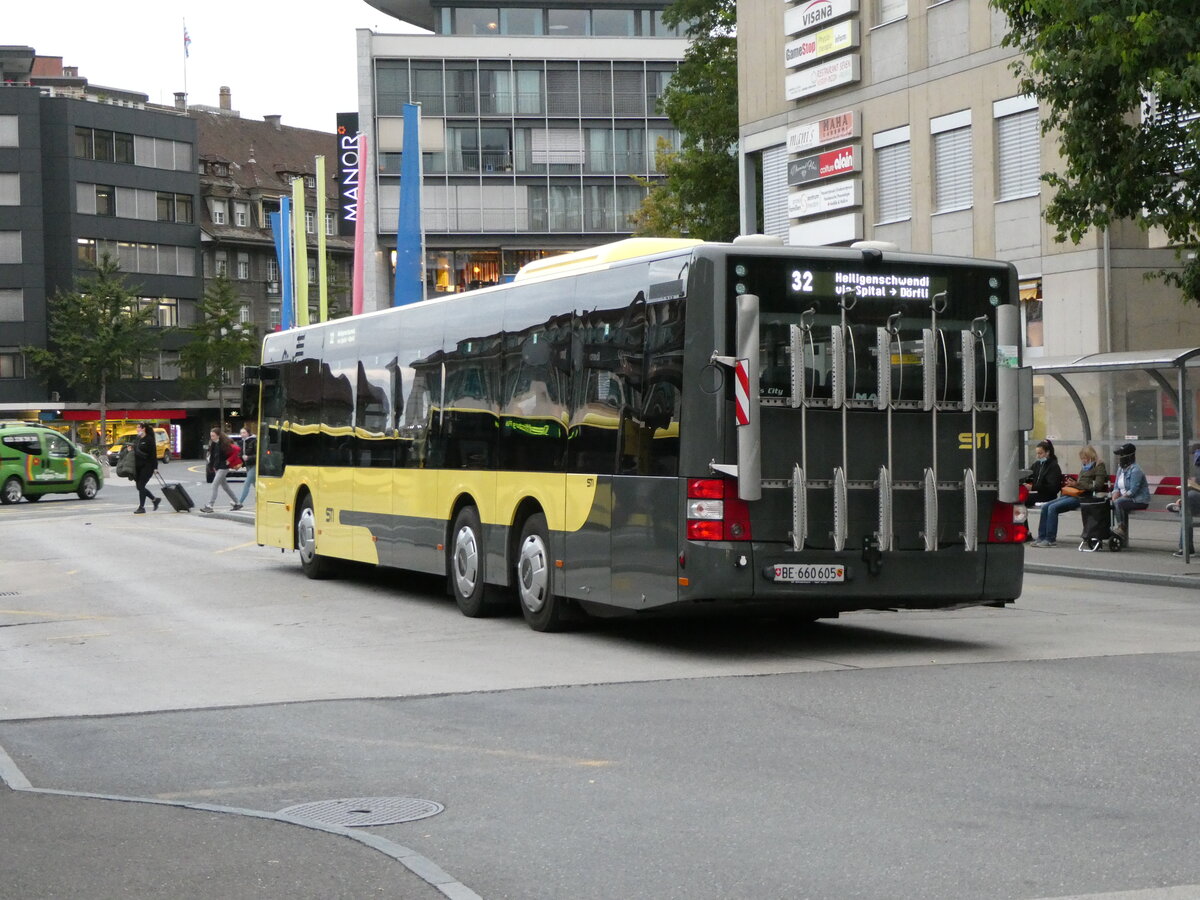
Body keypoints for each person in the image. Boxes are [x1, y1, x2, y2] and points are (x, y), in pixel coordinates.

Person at [1031, 445, 1108, 548]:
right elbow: (1081, 482)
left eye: (1084, 458)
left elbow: (1097, 486)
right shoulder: (1085, 467)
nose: (1083, 461)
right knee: (1046, 506)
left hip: (1084, 497)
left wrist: (1077, 484)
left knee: (1052, 508)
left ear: (1090, 457)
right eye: (1082, 459)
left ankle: (1050, 539)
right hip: (1074, 493)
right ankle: (1041, 537)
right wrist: (1074, 483)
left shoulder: (1099, 467)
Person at [1109, 442, 1150, 538]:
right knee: (1109, 502)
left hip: (1139, 500)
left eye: (1122, 455)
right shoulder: (1120, 469)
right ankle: (1107, 528)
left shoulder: (1136, 470)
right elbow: (1116, 485)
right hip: (1124, 499)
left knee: (1119, 502)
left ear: (1129, 456)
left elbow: (1133, 491)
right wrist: (1115, 493)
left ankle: (1121, 528)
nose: (1120, 458)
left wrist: (1121, 497)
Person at [201, 428, 239, 513]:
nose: (212, 437)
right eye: (211, 435)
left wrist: (229, 460)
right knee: (226, 487)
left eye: (213, 435)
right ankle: (237, 502)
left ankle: (210, 505)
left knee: (214, 485)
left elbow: (236, 451)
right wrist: (212, 466)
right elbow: (213, 456)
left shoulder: (224, 444)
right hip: (217, 467)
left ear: (218, 435)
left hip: (223, 467)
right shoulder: (214, 443)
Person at [132, 422, 162, 515]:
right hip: (138, 466)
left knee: (141, 486)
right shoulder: (137, 439)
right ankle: (154, 499)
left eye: (138, 427)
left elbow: (153, 454)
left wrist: (155, 467)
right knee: (139, 487)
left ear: (143, 428)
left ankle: (141, 507)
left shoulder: (149, 439)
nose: (137, 429)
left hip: (147, 466)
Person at [1024, 439, 1062, 506]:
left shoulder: (1053, 466)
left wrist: (1033, 487)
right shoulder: (1037, 464)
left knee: (1023, 498)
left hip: (1047, 496)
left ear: (1047, 453)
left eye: (1040, 453)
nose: (1038, 456)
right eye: (1037, 453)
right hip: (1037, 493)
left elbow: (1052, 488)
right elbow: (1028, 474)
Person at [233, 426, 257, 511]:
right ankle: (261, 501)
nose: (242, 434)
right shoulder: (242, 442)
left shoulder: (254, 441)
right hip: (248, 465)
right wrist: (238, 463)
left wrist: (248, 458)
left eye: (244, 433)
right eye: (241, 433)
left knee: (247, 483)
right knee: (256, 485)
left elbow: (258, 455)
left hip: (255, 465)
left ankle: (239, 503)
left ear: (248, 433)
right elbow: (240, 455)